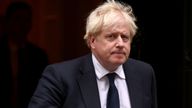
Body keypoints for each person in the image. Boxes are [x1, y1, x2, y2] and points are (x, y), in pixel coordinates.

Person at [28, 0, 157, 108]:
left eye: (125, 37)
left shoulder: (144, 74)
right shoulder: (60, 76)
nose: (120, 43)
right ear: (92, 41)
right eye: (111, 36)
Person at [0, 1, 49, 108]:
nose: (22, 25)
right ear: (8, 21)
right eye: (18, 19)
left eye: (26, 20)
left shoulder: (38, 56)